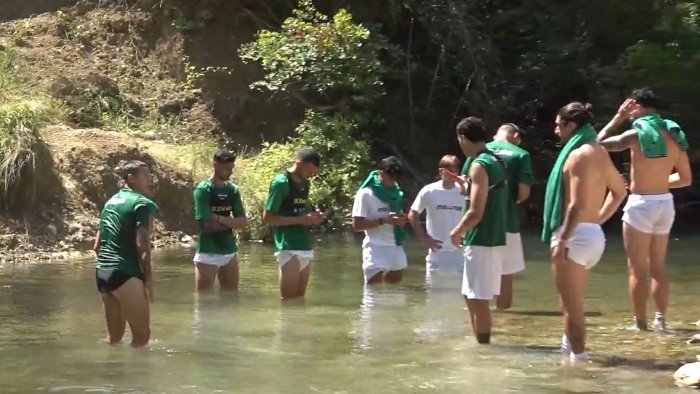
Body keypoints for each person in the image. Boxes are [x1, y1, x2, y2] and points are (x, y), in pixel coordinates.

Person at [596, 88, 692, 331]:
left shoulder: (636, 134)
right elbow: (685, 178)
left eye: (630, 108)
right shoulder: (674, 134)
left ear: (637, 106)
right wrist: (659, 182)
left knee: (637, 269)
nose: (629, 113)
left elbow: (599, 144)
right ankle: (661, 320)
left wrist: (617, 119)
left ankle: (640, 324)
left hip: (641, 204)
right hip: (664, 203)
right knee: (658, 266)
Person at [542, 102, 627, 363]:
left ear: (571, 125)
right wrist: (597, 220)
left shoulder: (578, 155)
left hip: (574, 237)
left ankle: (580, 367)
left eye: (558, 125)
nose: (556, 131)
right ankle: (567, 355)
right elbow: (620, 191)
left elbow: (576, 204)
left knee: (572, 307)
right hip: (591, 236)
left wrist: (564, 238)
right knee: (569, 301)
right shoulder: (599, 152)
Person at [449, 116, 509, 345]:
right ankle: (479, 345)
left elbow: (476, 211)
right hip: (493, 236)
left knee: (478, 299)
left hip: (482, 237)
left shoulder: (479, 165)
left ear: (463, 137)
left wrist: (457, 231)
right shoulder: (495, 160)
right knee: (471, 296)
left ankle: (484, 350)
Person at [93, 160, 158, 347]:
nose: (150, 180)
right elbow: (142, 245)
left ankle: (113, 372)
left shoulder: (110, 203)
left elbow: (97, 246)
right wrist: (148, 280)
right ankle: (139, 376)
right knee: (142, 337)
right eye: (145, 175)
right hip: (125, 273)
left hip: (103, 273)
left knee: (114, 339)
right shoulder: (142, 204)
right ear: (131, 178)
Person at [263, 148, 324, 301]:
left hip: (305, 245)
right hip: (288, 246)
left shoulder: (305, 183)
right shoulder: (281, 183)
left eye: (314, 173)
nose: (311, 175)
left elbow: (300, 207)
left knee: (299, 299)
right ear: (298, 164)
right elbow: (268, 218)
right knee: (288, 300)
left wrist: (314, 215)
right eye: (309, 171)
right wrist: (301, 220)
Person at [486, 123, 533, 310]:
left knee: (478, 275)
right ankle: (505, 320)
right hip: (508, 221)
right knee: (506, 275)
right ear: (515, 135)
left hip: (480, 222)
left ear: (495, 135)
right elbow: (523, 192)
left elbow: (466, 186)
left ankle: (478, 321)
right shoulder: (521, 154)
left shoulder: (480, 151)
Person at [192, 149, 248, 291]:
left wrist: (218, 218)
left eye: (232, 168)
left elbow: (242, 223)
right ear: (215, 165)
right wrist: (230, 223)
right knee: (203, 301)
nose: (230, 172)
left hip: (229, 251)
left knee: (231, 297)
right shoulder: (203, 190)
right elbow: (206, 226)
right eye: (226, 168)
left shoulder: (233, 190)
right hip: (208, 251)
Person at [352, 156, 409, 285]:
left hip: (396, 246)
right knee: (373, 294)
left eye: (396, 179)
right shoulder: (366, 194)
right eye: (391, 178)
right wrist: (382, 221)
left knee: (395, 294)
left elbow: (398, 216)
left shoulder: (396, 193)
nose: (393, 182)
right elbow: (356, 225)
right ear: (381, 174)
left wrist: (401, 219)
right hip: (375, 248)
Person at [408, 155, 465, 275]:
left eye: (455, 170)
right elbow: (413, 214)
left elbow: (478, 213)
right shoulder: (429, 191)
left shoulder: (464, 191)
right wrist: (424, 237)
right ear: (441, 171)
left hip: (461, 253)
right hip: (437, 253)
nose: (453, 173)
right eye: (449, 169)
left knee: (460, 293)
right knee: (434, 292)